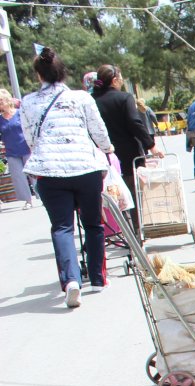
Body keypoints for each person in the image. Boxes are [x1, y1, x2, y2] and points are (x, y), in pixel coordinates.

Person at [20, 47, 115, 306]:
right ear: (63, 73)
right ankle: (97, 279)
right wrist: (107, 149)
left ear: (39, 75)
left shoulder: (28, 102)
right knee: (93, 224)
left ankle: (71, 280)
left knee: (62, 228)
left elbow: (30, 138)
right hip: (86, 167)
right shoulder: (82, 98)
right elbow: (98, 130)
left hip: (49, 171)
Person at [91, 64, 163, 226]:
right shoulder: (124, 98)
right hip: (128, 155)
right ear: (114, 80)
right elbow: (135, 123)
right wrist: (151, 145)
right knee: (133, 193)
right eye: (121, 78)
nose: (123, 81)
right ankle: (137, 232)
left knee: (110, 193)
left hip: (101, 157)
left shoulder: (92, 101)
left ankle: (119, 228)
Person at [0, 89, 36, 209]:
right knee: (18, 177)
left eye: (1, 101)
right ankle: (28, 200)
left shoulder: (20, 113)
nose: (0, 104)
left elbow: (29, 128)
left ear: (7, 101)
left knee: (34, 174)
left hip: (26, 147)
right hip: (11, 151)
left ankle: (42, 196)